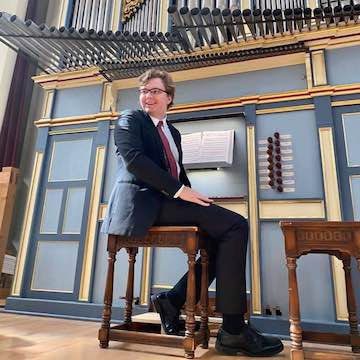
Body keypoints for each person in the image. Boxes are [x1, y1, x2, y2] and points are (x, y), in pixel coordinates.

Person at [102, 69, 283, 357]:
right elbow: (135, 162)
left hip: (165, 202)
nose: (147, 96)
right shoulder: (130, 119)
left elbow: (179, 176)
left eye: (155, 91)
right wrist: (180, 192)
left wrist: (194, 196)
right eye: (144, 91)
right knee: (237, 225)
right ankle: (233, 330)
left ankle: (172, 301)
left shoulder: (172, 132)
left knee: (218, 237)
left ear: (169, 97)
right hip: (139, 205)